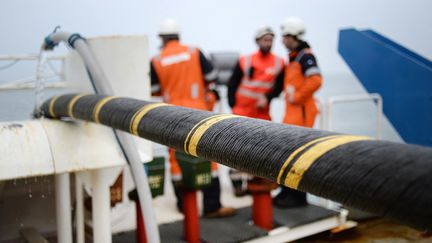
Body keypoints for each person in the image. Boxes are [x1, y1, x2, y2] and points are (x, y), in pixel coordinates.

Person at [150, 19, 235, 218]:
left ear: (162, 38)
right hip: (199, 112)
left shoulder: (157, 60)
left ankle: (184, 205)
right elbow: (212, 75)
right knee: (207, 155)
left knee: (176, 159)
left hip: (171, 115)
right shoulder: (194, 52)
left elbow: (154, 90)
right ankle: (212, 206)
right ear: (178, 35)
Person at [258, 17, 322, 208]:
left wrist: (297, 97)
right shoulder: (295, 56)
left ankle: (298, 198)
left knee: (298, 157)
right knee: (289, 155)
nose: (282, 40)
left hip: (301, 113)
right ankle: (286, 193)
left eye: (285, 36)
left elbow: (316, 80)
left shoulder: (305, 56)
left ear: (292, 36)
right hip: (293, 114)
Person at [227, 26, 285, 196]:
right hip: (241, 112)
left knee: (259, 150)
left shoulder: (279, 63)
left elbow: (279, 87)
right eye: (265, 40)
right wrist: (232, 104)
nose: (268, 43)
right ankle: (237, 183)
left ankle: (255, 180)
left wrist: (267, 98)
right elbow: (233, 83)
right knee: (234, 149)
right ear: (258, 41)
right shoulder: (245, 60)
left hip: (262, 114)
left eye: (271, 40)